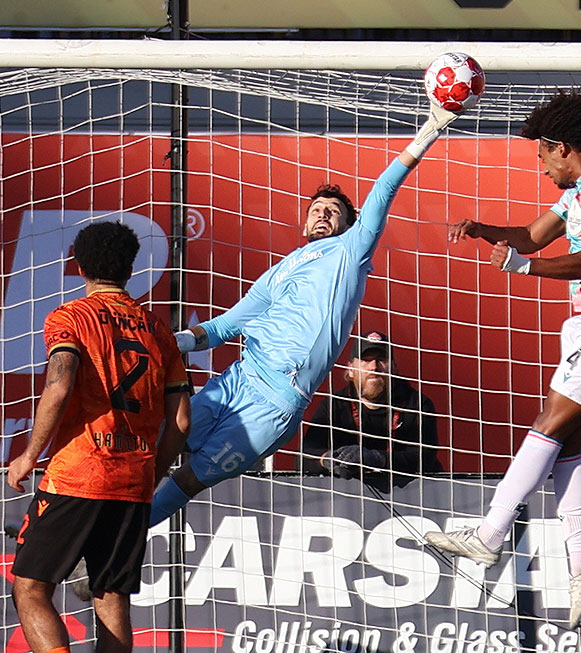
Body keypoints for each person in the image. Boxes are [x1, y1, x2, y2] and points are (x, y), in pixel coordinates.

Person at [148, 102, 463, 526]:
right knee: (152, 444)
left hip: (275, 403)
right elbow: (226, 326)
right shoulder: (278, 273)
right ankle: (87, 526)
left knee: (187, 480)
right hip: (236, 381)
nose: (323, 213)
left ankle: (112, 551)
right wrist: (179, 341)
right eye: (316, 208)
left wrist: (430, 129)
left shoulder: (350, 254)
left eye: (333, 210)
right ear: (304, 222)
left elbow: (383, 190)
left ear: (351, 226)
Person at [423, 89, 581, 630]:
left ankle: (489, 533)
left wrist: (523, 268)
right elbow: (529, 234)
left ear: (562, 147)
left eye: (542, 157)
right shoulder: (578, 190)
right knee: (567, 443)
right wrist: (485, 230)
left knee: (546, 426)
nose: (542, 168)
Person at [5, 221, 192, 653]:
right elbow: (181, 420)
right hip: (133, 483)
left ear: (79, 265)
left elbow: (61, 386)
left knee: (30, 587)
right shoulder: (157, 329)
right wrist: (152, 469)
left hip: (77, 474)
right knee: (112, 605)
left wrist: (28, 454)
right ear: (131, 269)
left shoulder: (71, 317)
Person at [301, 330, 442, 490]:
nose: (374, 367)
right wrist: (328, 460)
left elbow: (424, 458)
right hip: (348, 497)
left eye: (381, 360)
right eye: (366, 360)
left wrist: (377, 459)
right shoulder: (334, 405)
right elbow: (304, 458)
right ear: (351, 370)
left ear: (394, 368)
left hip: (414, 494)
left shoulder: (416, 404)